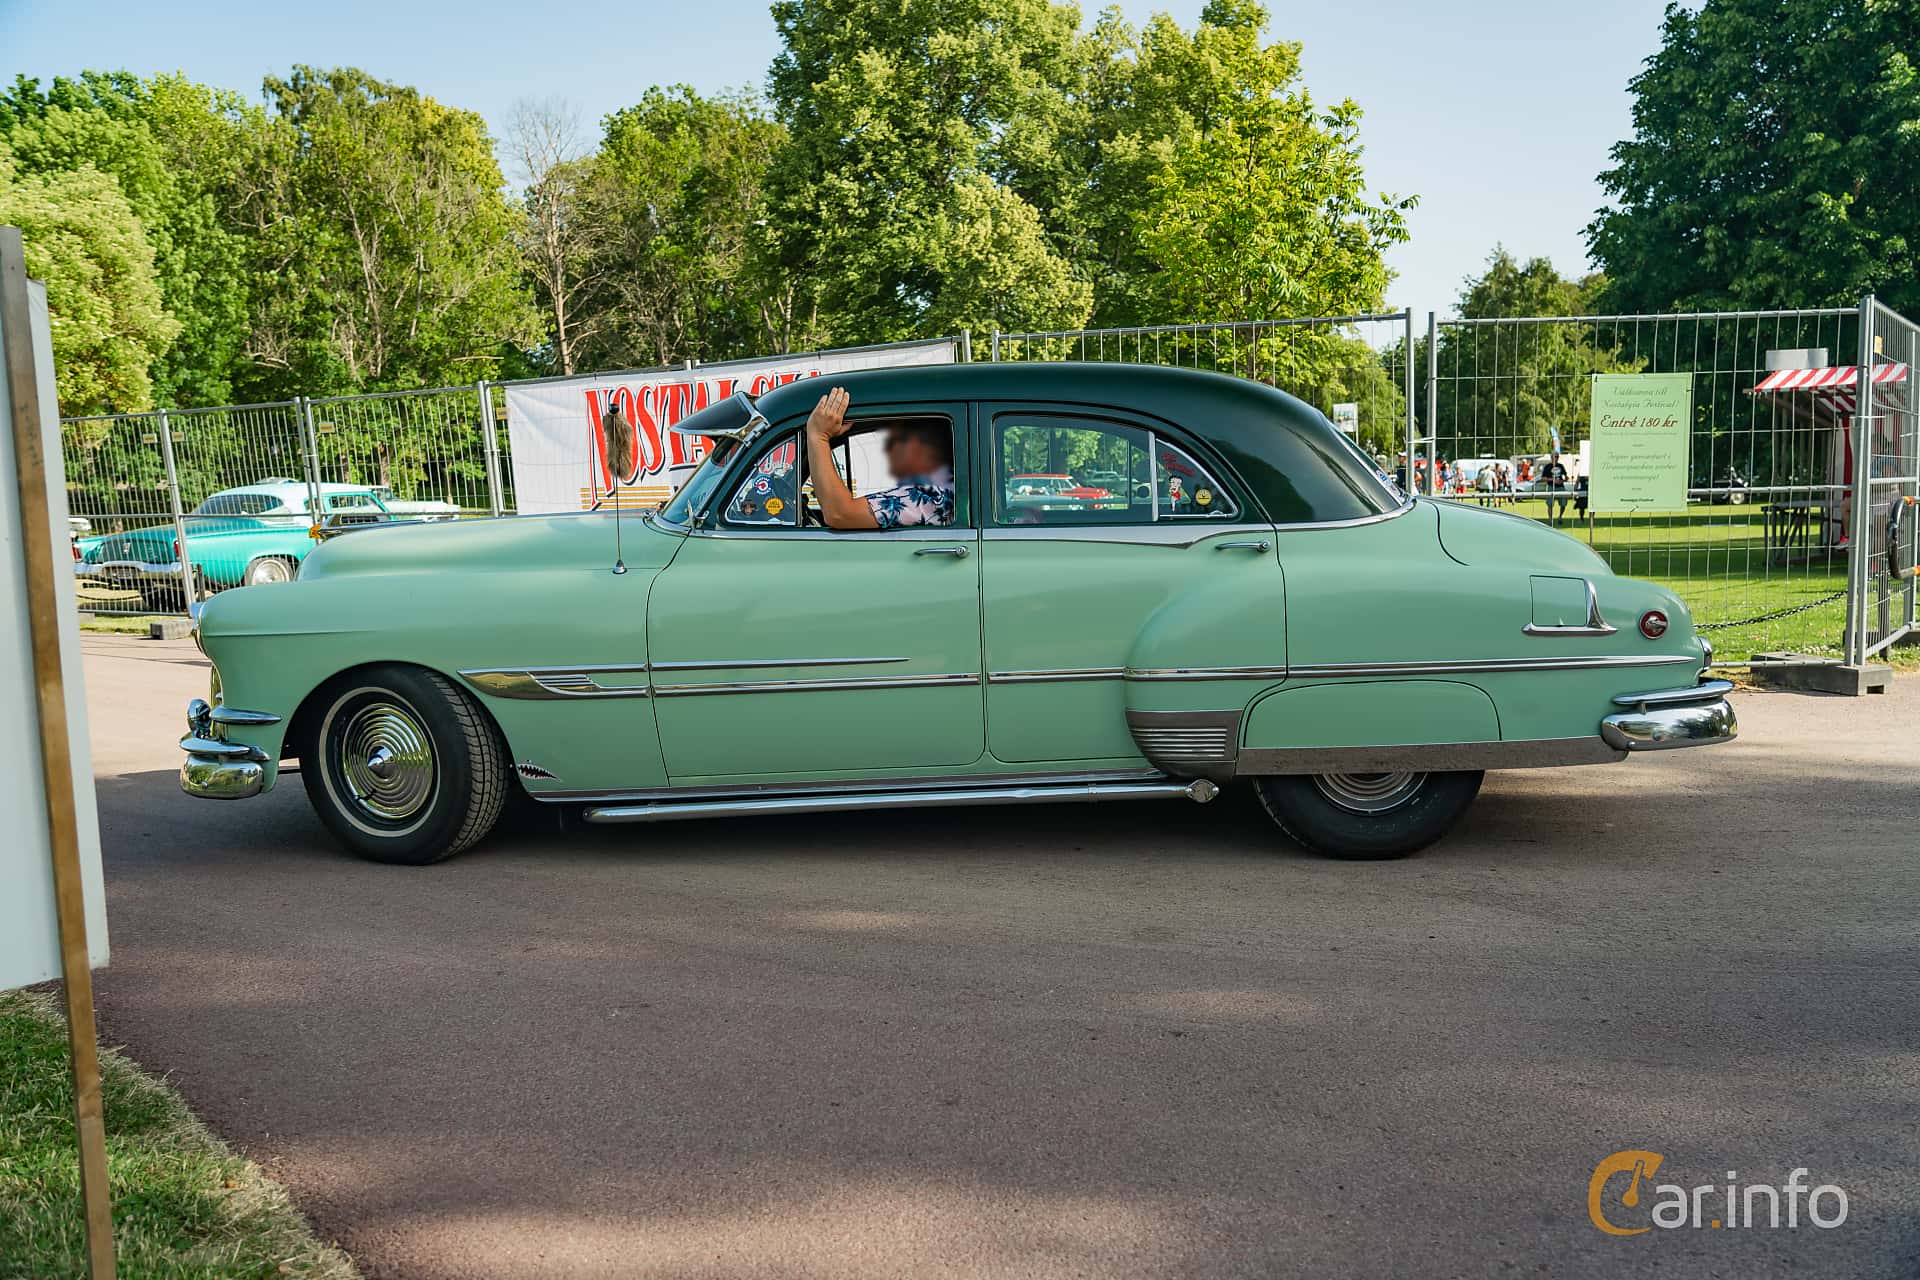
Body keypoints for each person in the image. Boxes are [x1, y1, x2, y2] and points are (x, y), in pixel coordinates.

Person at [804, 386, 954, 529]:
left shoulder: (938, 495)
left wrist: (819, 437)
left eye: (895, 440)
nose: (888, 449)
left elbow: (839, 514)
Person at [1540, 451, 1571, 523]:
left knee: (1563, 503)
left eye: (1557, 457)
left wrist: (1563, 480)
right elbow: (1543, 478)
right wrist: (1553, 480)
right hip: (1551, 487)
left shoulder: (1561, 466)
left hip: (1560, 487)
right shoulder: (1547, 467)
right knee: (1550, 504)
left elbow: (1566, 477)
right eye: (1555, 456)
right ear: (1551, 458)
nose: (1556, 458)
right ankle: (1550, 519)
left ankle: (1560, 517)